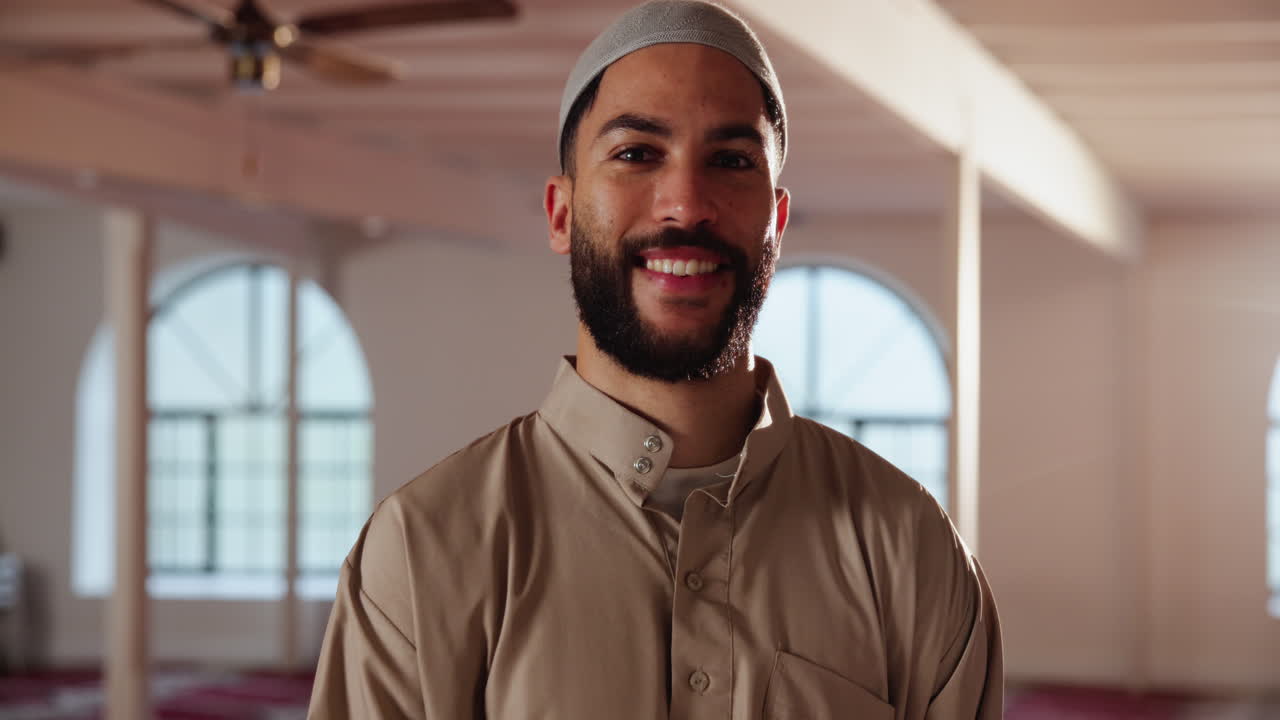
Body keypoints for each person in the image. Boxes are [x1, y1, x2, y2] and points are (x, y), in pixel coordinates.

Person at [307, 1, 1003, 718]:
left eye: (731, 161)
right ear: (561, 213)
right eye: (637, 154)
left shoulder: (907, 546)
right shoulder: (424, 548)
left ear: (777, 221)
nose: (686, 204)